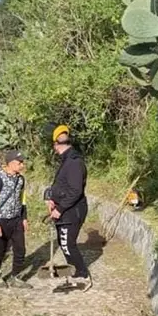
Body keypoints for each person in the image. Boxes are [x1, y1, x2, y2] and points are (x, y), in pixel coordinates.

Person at [47, 124, 92, 290]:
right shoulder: (67, 160)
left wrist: (60, 209)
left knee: (67, 244)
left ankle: (82, 275)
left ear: (55, 145)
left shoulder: (73, 162)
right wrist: (51, 198)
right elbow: (62, 186)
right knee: (64, 242)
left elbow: (75, 190)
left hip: (72, 211)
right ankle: (75, 272)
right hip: (67, 209)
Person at [0, 150, 33, 288]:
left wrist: (24, 218)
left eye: (22, 162)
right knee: (0, 250)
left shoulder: (20, 179)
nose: (22, 165)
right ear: (10, 163)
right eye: (19, 163)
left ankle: (15, 276)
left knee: (20, 249)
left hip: (16, 219)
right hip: (1, 220)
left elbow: (22, 200)